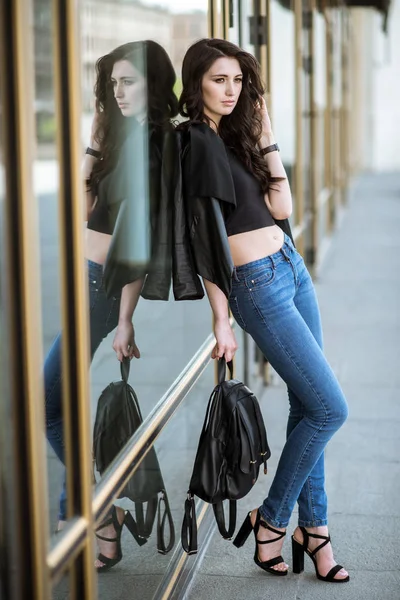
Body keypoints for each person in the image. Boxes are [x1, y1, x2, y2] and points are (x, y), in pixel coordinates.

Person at [177, 38, 349, 583]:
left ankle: (315, 531)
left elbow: (283, 207)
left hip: (290, 265)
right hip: (254, 285)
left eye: (238, 81)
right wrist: (220, 318)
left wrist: (266, 133)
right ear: (195, 83)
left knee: (309, 405)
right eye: (218, 80)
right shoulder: (192, 143)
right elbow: (202, 237)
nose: (231, 91)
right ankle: (273, 521)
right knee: (330, 409)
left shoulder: (239, 134)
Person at [44, 40, 179, 571]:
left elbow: (139, 240)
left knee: (49, 403)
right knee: (61, 398)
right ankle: (77, 512)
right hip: (86, 276)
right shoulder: (122, 138)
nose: (119, 92)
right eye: (114, 83)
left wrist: (124, 318)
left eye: (130, 81)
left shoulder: (155, 143)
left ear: (155, 83)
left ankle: (96, 514)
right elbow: (84, 211)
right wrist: (96, 144)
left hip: (103, 288)